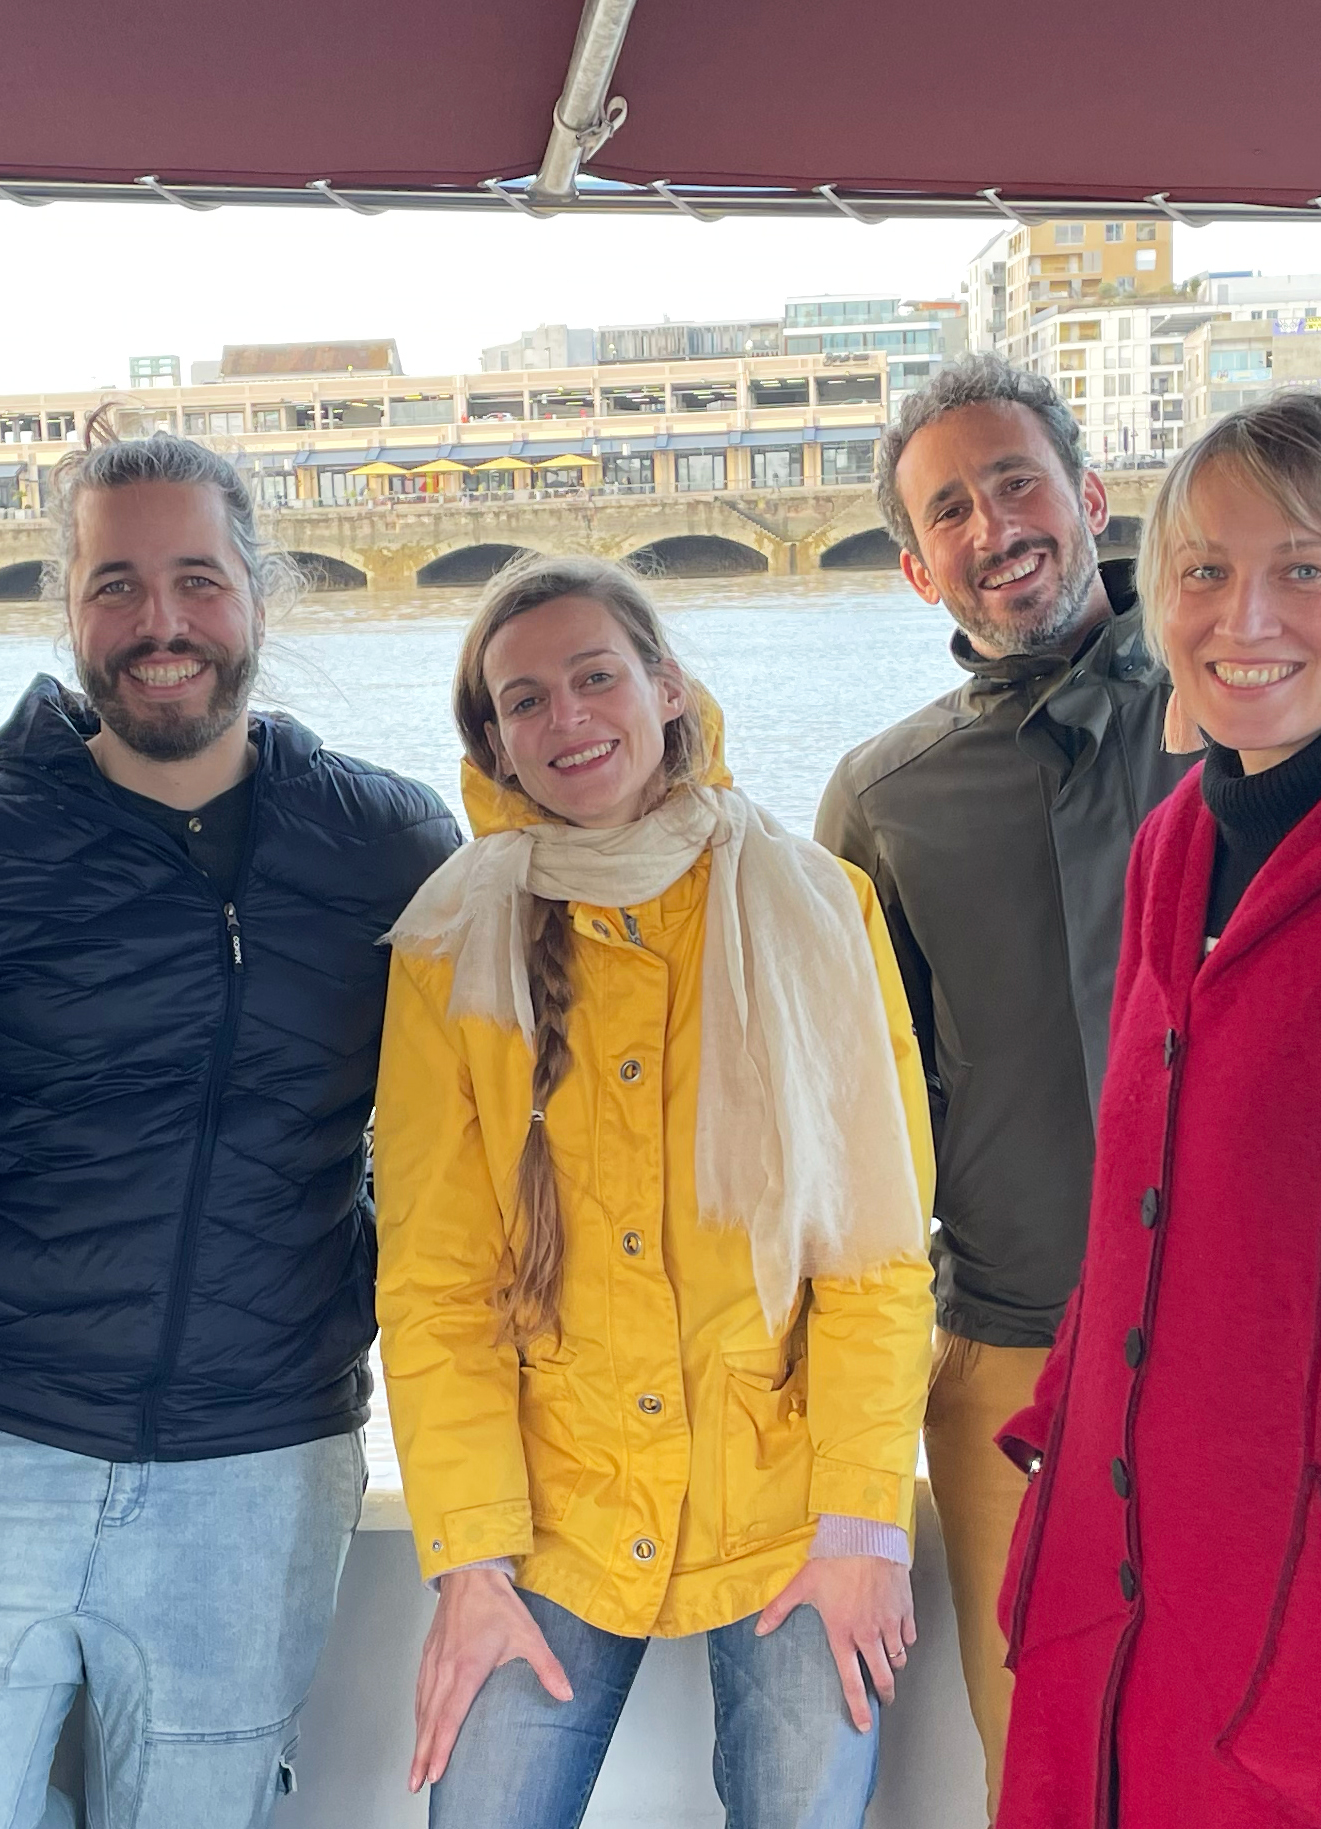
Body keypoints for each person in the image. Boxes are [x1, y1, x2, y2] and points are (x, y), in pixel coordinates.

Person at [0, 421, 459, 1828]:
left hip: (257, 1473)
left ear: (257, 592)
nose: (163, 624)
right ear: (70, 607)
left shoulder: (387, 846)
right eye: (117, 585)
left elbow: (472, 1138)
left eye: (198, 579)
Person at [992, 392, 1321, 1828]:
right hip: (1111, 1569)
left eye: (1304, 568)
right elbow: (1133, 1188)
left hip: (1316, 1608)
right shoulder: (1172, 839)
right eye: (1203, 569)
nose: (1242, 617)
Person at [374, 554, 936, 1828]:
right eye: (524, 700)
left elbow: (875, 1251)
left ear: (665, 685)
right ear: (494, 740)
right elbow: (437, 1281)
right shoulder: (448, 940)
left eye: (595, 677)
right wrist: (469, 1558)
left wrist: (863, 1521)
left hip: (790, 1494)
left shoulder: (814, 900)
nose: (566, 718)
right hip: (551, 1502)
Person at [816, 354, 1191, 1816]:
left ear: (1089, 497)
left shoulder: (1253, 712)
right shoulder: (883, 800)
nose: (995, 527)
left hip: (1255, 1341)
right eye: (950, 510)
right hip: (1007, 1363)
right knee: (1038, 1765)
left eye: (1016, 481)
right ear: (918, 570)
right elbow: (855, 1129)